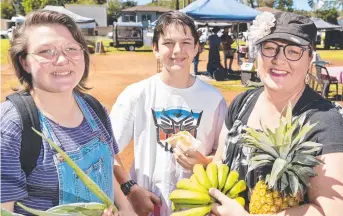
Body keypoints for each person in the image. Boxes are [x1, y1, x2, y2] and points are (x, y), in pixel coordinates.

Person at [0, 10, 136, 216]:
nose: (62, 60)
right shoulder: (13, 125)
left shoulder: (94, 109)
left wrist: (127, 210)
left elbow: (107, 171)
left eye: (71, 48)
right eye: (46, 51)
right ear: (24, 62)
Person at [212, 12, 343, 216]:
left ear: (310, 59)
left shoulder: (326, 121)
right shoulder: (241, 103)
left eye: (293, 51)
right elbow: (219, 162)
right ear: (257, 54)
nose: (279, 60)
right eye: (270, 48)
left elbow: (333, 211)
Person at [109, 11, 227, 216]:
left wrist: (205, 163)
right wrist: (130, 188)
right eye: (169, 43)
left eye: (186, 42)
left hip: (198, 208)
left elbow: (223, 156)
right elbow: (106, 149)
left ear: (197, 47)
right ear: (155, 48)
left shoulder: (214, 99)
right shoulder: (137, 94)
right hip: (146, 206)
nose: (178, 50)